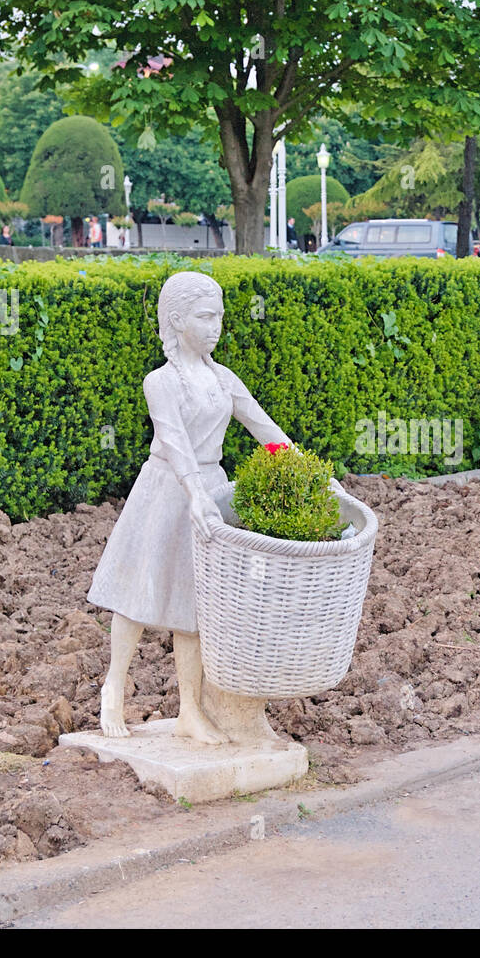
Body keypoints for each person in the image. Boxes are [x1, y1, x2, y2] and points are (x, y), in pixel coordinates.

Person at [87, 272, 306, 741]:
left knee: (195, 602)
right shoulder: (160, 382)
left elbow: (263, 428)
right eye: (205, 317)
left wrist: (304, 469)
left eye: (220, 317)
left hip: (211, 486)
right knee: (139, 592)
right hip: (168, 488)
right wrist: (194, 493)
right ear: (176, 319)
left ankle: (189, 708)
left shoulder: (223, 378)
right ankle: (113, 688)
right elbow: (174, 440)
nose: (216, 327)